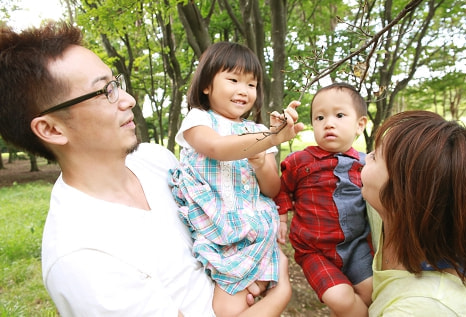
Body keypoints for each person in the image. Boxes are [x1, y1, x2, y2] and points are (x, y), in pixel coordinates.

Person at [0, 22, 293, 316]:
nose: (129, 99)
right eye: (104, 91)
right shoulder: (83, 259)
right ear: (51, 128)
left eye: (116, 83)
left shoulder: (156, 160)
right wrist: (280, 293)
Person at [167, 41, 304, 316]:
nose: (243, 90)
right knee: (230, 307)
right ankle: (273, 281)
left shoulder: (257, 130)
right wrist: (269, 138)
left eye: (251, 84)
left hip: (253, 228)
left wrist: (260, 162)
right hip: (218, 230)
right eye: (233, 80)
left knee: (229, 308)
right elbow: (217, 148)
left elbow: (272, 188)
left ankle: (271, 277)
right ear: (206, 85)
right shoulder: (199, 120)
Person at [361, 110, 466, 316]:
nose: (364, 158)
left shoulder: (427, 306)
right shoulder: (390, 216)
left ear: (402, 195)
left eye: (375, 156)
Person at [274, 83, 373, 317]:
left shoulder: (367, 164)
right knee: (340, 298)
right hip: (314, 250)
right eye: (319, 117)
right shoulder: (301, 161)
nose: (329, 123)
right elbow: (281, 189)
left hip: (356, 244)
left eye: (339, 115)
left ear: (360, 125)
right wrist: (282, 218)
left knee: (370, 291)